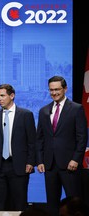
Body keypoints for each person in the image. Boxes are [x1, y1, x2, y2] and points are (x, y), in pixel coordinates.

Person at [36, 76, 88, 216]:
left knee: (74, 204)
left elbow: (82, 137)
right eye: (51, 90)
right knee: (52, 204)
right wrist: (40, 160)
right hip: (50, 165)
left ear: (65, 89)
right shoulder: (43, 111)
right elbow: (39, 138)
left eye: (57, 89)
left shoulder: (76, 109)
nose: (54, 93)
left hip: (70, 165)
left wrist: (76, 159)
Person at [0, 84, 36, 211]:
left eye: (2, 95)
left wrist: (30, 162)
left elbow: (32, 141)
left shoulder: (25, 115)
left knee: (19, 203)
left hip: (18, 166)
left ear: (12, 96)